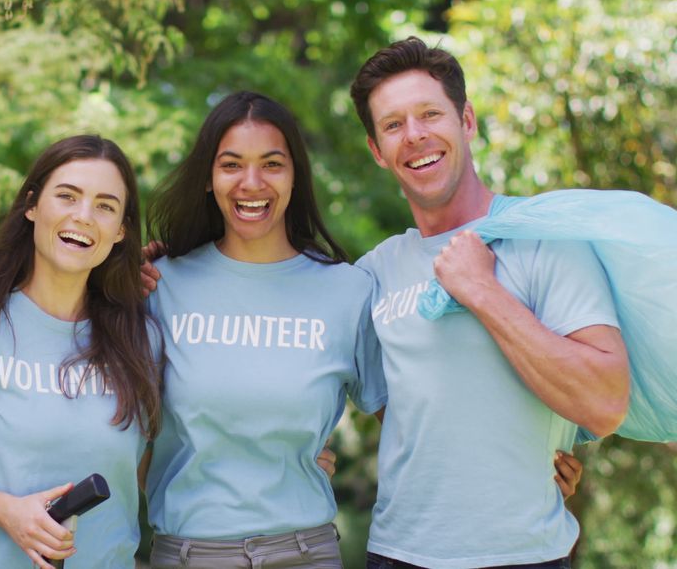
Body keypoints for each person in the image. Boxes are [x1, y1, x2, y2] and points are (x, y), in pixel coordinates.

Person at [349, 37, 630, 568]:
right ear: (376, 150)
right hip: (398, 554)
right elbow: (404, 410)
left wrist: (481, 290)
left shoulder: (543, 238)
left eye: (430, 114)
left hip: (526, 556)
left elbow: (606, 403)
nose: (415, 136)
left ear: (468, 121)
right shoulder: (374, 272)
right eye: (393, 125)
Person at [142, 91, 388, 569]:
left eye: (272, 164)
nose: (251, 183)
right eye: (231, 164)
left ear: (295, 176)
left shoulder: (348, 291)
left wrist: (525, 466)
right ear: (209, 180)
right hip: (188, 554)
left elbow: (410, 427)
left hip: (304, 553)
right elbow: (107, 427)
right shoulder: (159, 284)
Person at [0, 135, 161, 569]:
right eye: (67, 196)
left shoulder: (142, 342)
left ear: (121, 231)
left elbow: (154, 472)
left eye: (105, 205)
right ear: (32, 205)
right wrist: (7, 512)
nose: (83, 216)